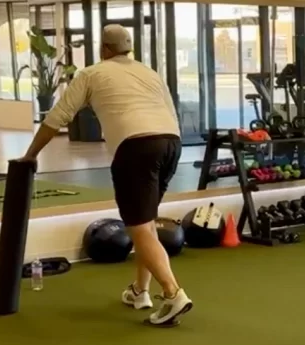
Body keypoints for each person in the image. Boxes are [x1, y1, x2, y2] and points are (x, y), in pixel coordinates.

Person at [20, 24, 192, 327]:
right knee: (146, 224)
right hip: (171, 143)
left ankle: (173, 293)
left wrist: (30, 155)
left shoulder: (91, 73)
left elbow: (58, 117)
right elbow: (171, 111)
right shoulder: (150, 73)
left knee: (139, 227)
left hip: (135, 147)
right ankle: (140, 291)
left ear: (104, 49)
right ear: (129, 48)